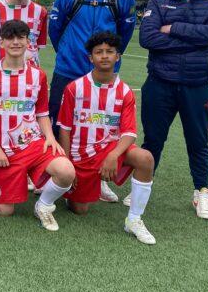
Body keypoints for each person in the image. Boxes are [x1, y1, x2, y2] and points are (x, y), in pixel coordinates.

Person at [48, 0, 136, 203]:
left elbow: (125, 33)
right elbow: (55, 31)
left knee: (101, 127)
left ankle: (97, 178)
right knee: (59, 122)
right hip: (69, 70)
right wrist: (70, 53)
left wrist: (105, 59)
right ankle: (56, 174)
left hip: (104, 76)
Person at [0, 20, 75, 231]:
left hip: (32, 144)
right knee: (5, 211)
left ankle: (44, 205)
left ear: (29, 41)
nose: (15, 42)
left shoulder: (38, 75)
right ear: (1, 42)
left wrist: (50, 137)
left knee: (66, 171)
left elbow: (42, 112)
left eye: (21, 37)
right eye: (10, 37)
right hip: (3, 151)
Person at [139, 0, 208, 220]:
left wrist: (174, 29)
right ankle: (142, 187)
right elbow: (148, 39)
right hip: (160, 82)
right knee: (153, 139)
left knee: (198, 141)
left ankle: (202, 191)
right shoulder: (159, 0)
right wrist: (197, 41)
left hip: (199, 84)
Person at [57, 32, 156, 244]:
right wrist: (67, 164)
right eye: (98, 52)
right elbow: (64, 129)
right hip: (80, 155)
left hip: (110, 149)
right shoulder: (75, 88)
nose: (104, 56)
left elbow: (129, 133)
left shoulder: (125, 92)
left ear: (118, 56)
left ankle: (134, 219)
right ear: (90, 58)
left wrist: (113, 155)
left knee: (145, 158)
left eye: (109, 52)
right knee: (80, 210)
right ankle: (83, 189)